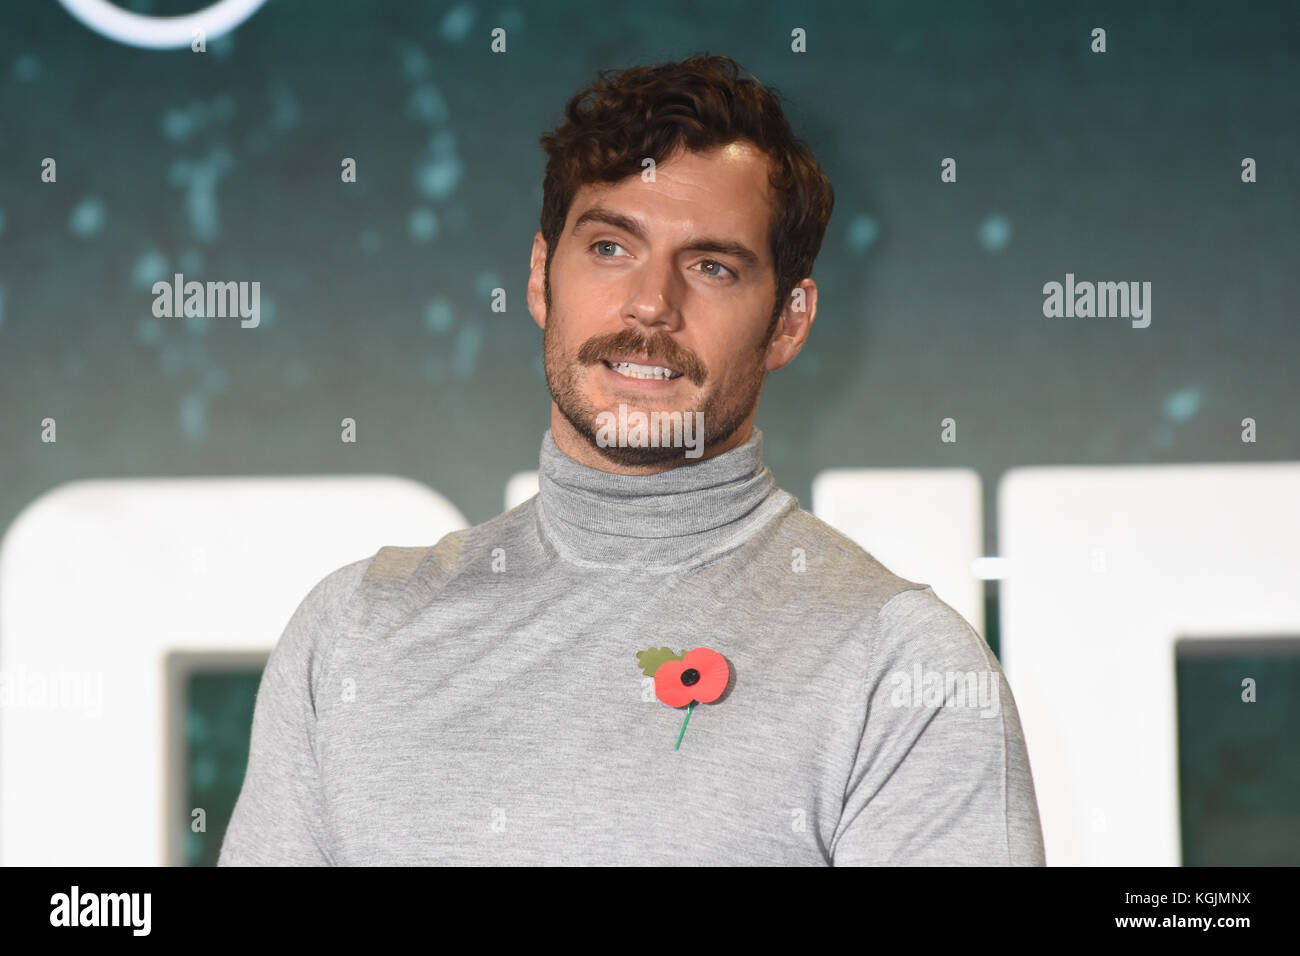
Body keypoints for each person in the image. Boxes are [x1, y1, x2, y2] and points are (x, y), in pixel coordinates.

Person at [219, 52, 1046, 866]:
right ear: (542, 278)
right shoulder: (352, 632)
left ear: (789, 321)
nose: (652, 304)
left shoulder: (903, 671)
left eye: (712, 266)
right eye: (612, 248)